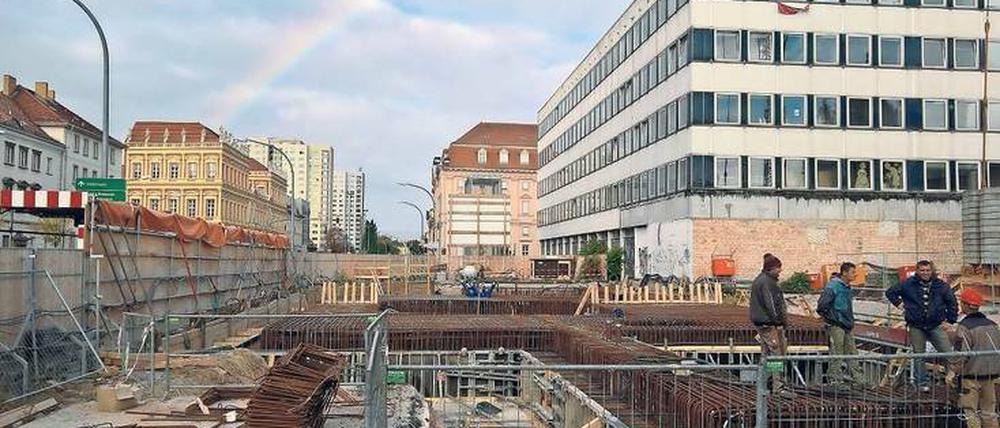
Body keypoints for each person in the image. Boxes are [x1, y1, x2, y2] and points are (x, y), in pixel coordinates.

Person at [885, 260, 958, 391]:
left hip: (935, 325)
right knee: (919, 355)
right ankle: (922, 384)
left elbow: (952, 302)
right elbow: (890, 292)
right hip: (916, 325)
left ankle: (953, 380)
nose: (925, 273)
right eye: (922, 270)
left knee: (948, 353)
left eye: (928, 270)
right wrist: (900, 305)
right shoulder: (908, 284)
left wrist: (950, 320)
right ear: (917, 271)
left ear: (932, 271)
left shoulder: (941, 286)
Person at [949, 289, 1000, 428]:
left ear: (964, 305)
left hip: (971, 377)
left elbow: (961, 353)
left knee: (970, 413)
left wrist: (953, 372)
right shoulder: (992, 325)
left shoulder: (965, 327)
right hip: (991, 376)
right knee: (989, 413)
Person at [817, 262, 862, 387]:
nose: (855, 275)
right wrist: (832, 319)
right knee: (837, 352)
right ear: (844, 273)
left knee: (852, 352)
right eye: (852, 272)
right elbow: (822, 306)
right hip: (836, 324)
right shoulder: (833, 287)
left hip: (847, 324)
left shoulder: (846, 287)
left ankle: (858, 379)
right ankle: (834, 379)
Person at [750, 253, 790, 394]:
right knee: (776, 355)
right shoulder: (767, 283)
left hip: (763, 323)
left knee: (766, 354)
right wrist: (779, 321)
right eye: (778, 268)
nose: (780, 270)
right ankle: (778, 386)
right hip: (768, 324)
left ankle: (766, 383)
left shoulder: (761, 280)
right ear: (771, 268)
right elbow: (771, 305)